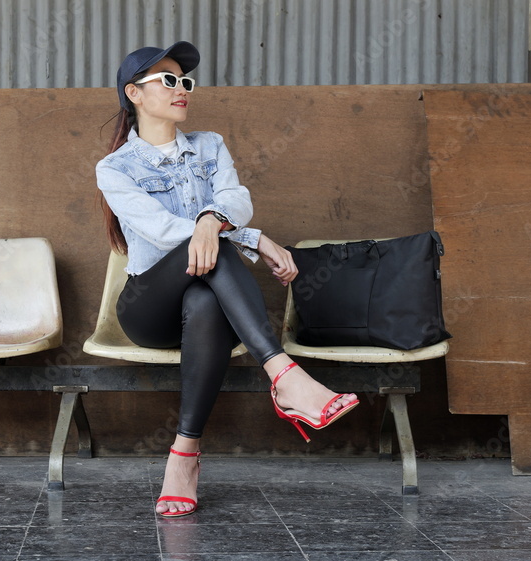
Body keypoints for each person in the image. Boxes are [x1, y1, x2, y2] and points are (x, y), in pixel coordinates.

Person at [94, 41, 359, 518]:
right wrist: (249, 238)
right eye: (168, 80)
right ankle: (285, 378)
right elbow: (162, 231)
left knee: (205, 294)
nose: (182, 89)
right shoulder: (114, 168)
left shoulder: (209, 145)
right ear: (134, 93)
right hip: (147, 307)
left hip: (205, 309)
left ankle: (184, 455)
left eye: (185, 81)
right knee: (209, 246)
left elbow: (236, 199)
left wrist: (214, 219)